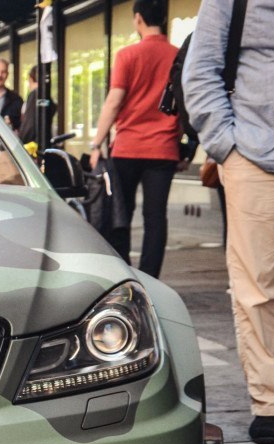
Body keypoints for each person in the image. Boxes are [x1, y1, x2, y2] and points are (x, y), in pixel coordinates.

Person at [184, 0, 274, 444]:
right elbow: (200, 68)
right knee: (258, 289)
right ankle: (271, 400)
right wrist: (228, 146)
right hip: (257, 160)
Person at [89, 0, 182, 279]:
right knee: (155, 218)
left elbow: (114, 101)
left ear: (137, 19)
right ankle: (151, 278)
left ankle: (124, 276)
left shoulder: (127, 55)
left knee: (121, 214)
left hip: (128, 148)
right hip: (164, 148)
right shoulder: (177, 55)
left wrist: (96, 143)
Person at [19, 65, 58, 146]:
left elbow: (30, 123)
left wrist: (21, 142)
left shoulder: (35, 95)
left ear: (30, 79)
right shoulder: (45, 96)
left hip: (33, 145)